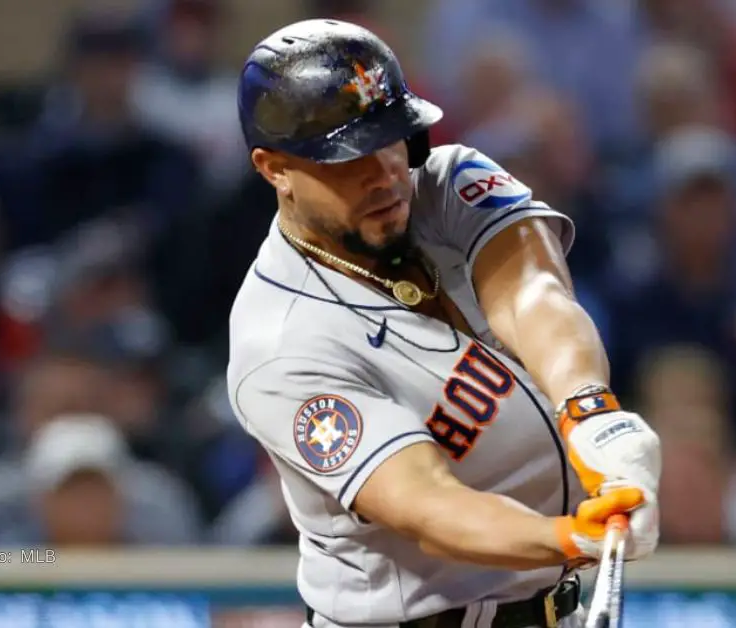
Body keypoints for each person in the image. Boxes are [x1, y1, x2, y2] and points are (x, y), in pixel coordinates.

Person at [225, 20, 661, 628]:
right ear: (275, 169)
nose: (383, 173)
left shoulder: (446, 182)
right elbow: (427, 507)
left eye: (392, 139)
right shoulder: (280, 343)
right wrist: (568, 537)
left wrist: (590, 409)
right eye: (348, 157)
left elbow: (532, 294)